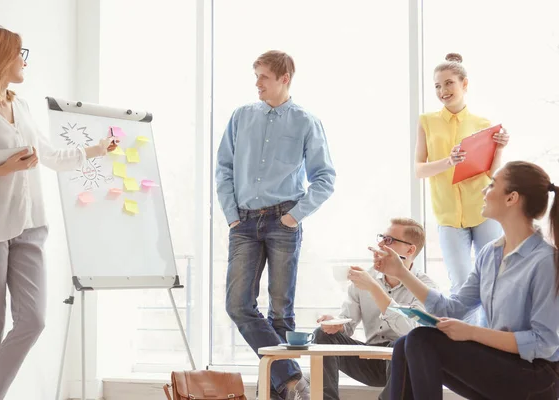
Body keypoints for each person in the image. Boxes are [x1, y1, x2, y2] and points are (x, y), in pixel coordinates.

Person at [0, 26, 117, 400]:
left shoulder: (22, 106)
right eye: (18, 52)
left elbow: (49, 156)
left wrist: (96, 149)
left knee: (33, 320)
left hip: (30, 225)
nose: (23, 60)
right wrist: (6, 168)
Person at [372, 161, 559, 399]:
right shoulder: (490, 254)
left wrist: (471, 332)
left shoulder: (545, 261)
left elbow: (544, 343)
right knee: (404, 345)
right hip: (502, 365)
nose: (483, 191)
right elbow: (452, 308)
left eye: (492, 185)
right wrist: (401, 272)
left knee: (421, 339)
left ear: (512, 198)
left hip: (536, 377)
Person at [216, 50, 336, 400]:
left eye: (264, 76)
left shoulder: (305, 122)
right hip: (244, 222)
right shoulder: (241, 117)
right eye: (256, 75)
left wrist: (292, 217)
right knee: (238, 305)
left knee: (280, 313)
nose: (257, 83)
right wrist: (232, 214)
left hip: (284, 221)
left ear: (285, 78)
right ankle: (293, 379)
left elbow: (325, 177)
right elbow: (223, 167)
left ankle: (280, 392)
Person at [415, 53, 509, 323]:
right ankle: (465, 347)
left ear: (464, 84)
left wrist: (500, 147)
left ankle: (489, 341)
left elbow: (493, 173)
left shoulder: (482, 124)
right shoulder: (427, 122)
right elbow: (419, 169)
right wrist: (448, 161)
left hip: (482, 210)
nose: (442, 91)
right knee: (460, 284)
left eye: (448, 84)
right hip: (447, 215)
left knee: (494, 281)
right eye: (437, 86)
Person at [313, 218, 437, 400]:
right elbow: (348, 324)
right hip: (369, 358)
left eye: (389, 240)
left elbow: (411, 331)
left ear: (410, 250)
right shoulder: (366, 277)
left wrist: (374, 289)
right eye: (382, 238)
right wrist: (336, 325)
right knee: (322, 335)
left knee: (403, 343)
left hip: (402, 362)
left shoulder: (426, 287)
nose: (380, 244)